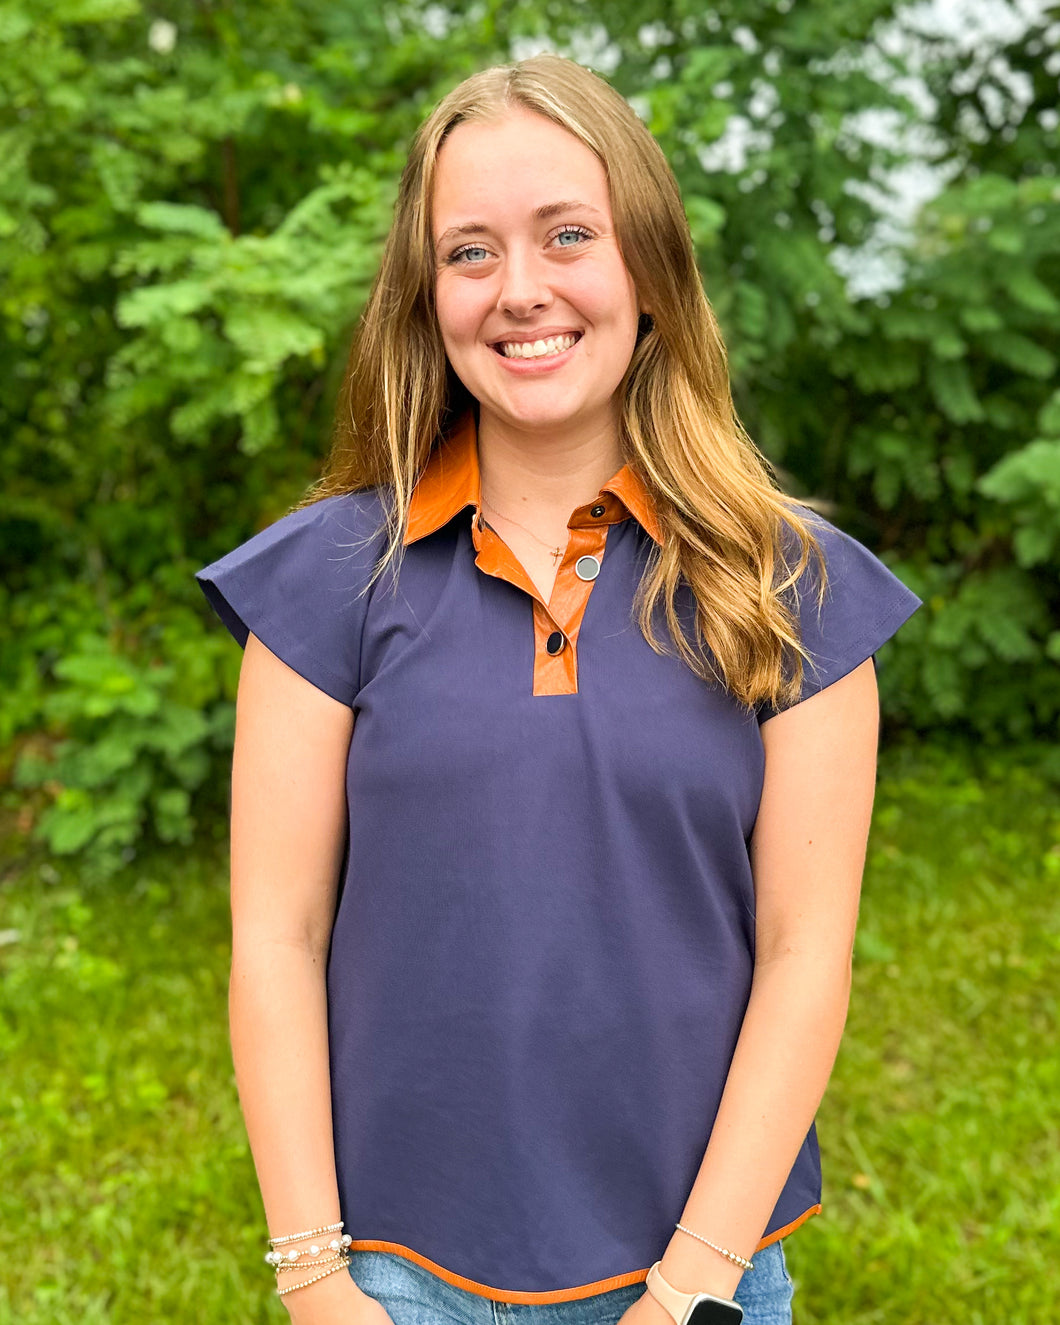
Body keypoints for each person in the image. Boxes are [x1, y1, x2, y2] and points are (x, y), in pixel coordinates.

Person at [194, 53, 922, 1325]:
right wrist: (314, 1277)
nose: (519, 290)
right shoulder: (325, 585)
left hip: (701, 1262)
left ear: (649, 267)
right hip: (394, 1273)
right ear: (424, 298)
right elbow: (276, 937)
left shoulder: (793, 588)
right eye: (468, 252)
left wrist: (693, 1287)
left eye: (567, 236)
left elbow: (805, 955)